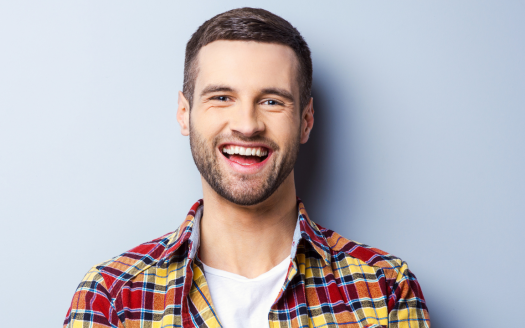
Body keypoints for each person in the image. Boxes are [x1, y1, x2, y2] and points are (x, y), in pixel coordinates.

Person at [64, 7, 430, 328]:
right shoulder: (111, 299)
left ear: (305, 120)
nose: (247, 124)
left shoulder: (385, 290)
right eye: (222, 97)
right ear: (184, 113)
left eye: (272, 101)